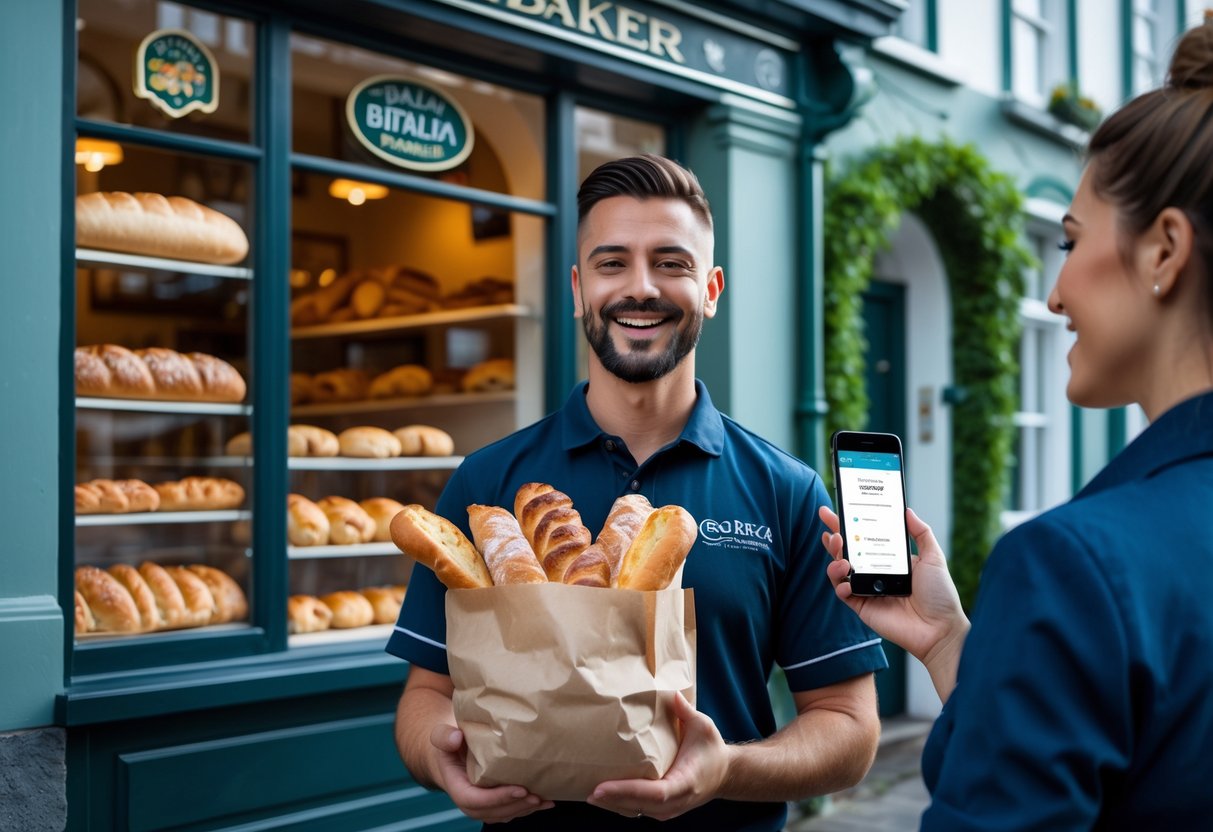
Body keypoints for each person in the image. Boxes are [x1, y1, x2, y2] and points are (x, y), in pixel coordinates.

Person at [387, 154, 887, 830]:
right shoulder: (487, 486)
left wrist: (726, 772)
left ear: (711, 289)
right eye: (611, 262)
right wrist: (438, 754)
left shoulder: (785, 491)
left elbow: (848, 729)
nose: (640, 288)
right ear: (577, 288)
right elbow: (426, 695)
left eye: (671, 263)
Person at [820, 17, 1213, 830]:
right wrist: (946, 641)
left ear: (1164, 251)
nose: (1056, 294)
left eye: (1070, 243)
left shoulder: (1076, 569)